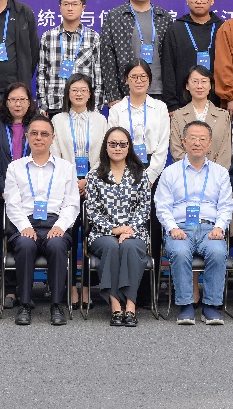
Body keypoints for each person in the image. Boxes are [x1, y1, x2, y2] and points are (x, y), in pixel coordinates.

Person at [3, 115, 80, 326]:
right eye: (34, 133)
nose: (39, 138)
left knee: (56, 245)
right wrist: (25, 227)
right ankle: (25, 304)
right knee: (26, 245)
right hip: (24, 224)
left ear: (52, 138)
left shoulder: (66, 168)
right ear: (27, 136)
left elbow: (72, 203)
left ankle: (56, 304)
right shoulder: (15, 167)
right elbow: (12, 203)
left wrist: (60, 226)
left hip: (55, 223)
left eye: (44, 134)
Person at [157, 121, 233, 325]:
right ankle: (186, 305)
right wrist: (172, 228)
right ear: (184, 142)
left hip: (210, 228)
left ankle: (211, 306)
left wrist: (219, 227)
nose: (197, 143)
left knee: (217, 252)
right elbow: (162, 206)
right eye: (192, 138)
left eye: (202, 139)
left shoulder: (220, 173)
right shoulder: (170, 172)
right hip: (180, 228)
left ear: (210, 143)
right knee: (180, 252)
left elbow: (226, 205)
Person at [85, 126, 151, 327]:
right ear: (105, 147)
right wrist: (114, 230)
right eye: (112, 144)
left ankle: (130, 306)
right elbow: (92, 211)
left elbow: (145, 208)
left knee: (129, 246)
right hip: (102, 233)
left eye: (122, 144)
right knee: (112, 246)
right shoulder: (94, 176)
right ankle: (115, 306)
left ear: (129, 147)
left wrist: (129, 229)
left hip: (135, 231)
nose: (117, 148)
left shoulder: (140, 174)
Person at [98, 0, 173, 106]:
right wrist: (113, 95)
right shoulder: (115, 17)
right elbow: (108, 59)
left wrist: (171, 97)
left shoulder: (164, 17)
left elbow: (171, 59)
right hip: (125, 91)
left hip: (159, 91)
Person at [36, 0, 102, 116]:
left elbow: (98, 74)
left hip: (84, 106)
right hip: (55, 105)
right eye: (66, 4)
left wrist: (95, 108)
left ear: (83, 7)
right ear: (60, 7)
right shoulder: (48, 36)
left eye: (75, 4)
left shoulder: (93, 37)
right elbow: (42, 73)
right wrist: (43, 106)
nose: (70, 8)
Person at [161, 0, 224, 111]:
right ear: (187, 0)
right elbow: (168, 68)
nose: (199, 1)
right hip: (182, 105)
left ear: (212, 1)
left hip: (217, 104)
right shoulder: (176, 29)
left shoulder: (223, 28)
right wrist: (171, 104)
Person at [0, 82, 36, 250]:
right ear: (6, 102)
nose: (18, 104)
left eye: (22, 99)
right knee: (6, 239)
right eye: (13, 99)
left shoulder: (36, 128)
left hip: (31, 194)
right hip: (2, 194)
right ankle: (6, 267)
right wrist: (4, 189)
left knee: (28, 238)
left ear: (29, 102)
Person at [107, 61, 171, 184]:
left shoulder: (160, 108)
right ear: (126, 80)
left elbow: (163, 144)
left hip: (153, 167)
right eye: (134, 77)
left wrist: (151, 176)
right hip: (123, 167)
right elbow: (112, 144)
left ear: (149, 80)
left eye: (143, 76)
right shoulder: (116, 110)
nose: (139, 80)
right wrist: (123, 174)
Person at [51, 74, 108, 193]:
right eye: (74, 90)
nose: (79, 94)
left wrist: (89, 180)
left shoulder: (100, 120)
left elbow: (104, 154)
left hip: (96, 180)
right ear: (67, 93)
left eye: (83, 90)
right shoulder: (57, 120)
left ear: (89, 94)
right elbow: (54, 154)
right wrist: (71, 180)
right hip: (65, 181)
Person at [168, 67, 232, 168]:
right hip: (186, 172)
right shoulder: (178, 115)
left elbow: (225, 152)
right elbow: (176, 149)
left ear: (210, 85)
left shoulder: (223, 115)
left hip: (215, 174)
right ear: (187, 86)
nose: (199, 86)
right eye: (195, 81)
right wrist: (193, 170)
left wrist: (213, 172)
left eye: (204, 81)